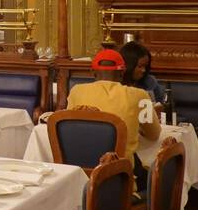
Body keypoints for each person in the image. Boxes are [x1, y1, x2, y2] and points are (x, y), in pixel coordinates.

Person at [66, 48, 160, 193]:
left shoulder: (76, 91)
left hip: (80, 178)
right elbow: (154, 134)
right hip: (120, 179)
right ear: (122, 73)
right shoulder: (140, 95)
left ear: (93, 73)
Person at [120, 40, 166, 105]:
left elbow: (161, 107)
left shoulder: (150, 82)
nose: (144, 70)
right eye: (140, 66)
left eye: (145, 66)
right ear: (128, 65)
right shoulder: (116, 84)